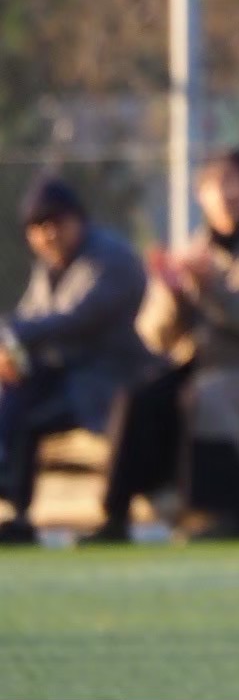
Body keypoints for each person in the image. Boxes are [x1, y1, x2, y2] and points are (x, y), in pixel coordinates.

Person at [94, 149, 239, 541]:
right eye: (217, 183)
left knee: (206, 398)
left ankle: (213, 514)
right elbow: (155, 336)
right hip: (202, 369)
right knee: (138, 399)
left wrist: (213, 288)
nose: (229, 193)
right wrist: (172, 293)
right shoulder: (195, 251)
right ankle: (114, 517)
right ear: (201, 195)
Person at [0, 178, 154, 544]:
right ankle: (18, 513)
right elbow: (32, 321)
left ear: (79, 219)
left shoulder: (110, 257)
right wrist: (8, 348)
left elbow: (77, 319)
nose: (49, 234)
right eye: (39, 227)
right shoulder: (49, 268)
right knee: (15, 394)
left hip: (116, 381)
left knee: (28, 413)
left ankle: (112, 520)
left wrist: (8, 333)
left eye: (57, 222)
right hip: (69, 380)